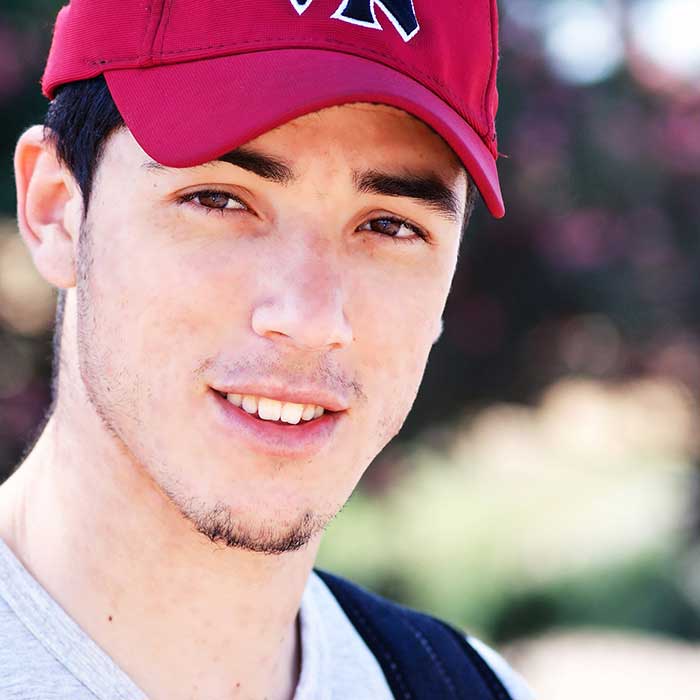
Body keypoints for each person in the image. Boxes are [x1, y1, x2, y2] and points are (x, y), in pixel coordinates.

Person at [0, 1, 534, 698]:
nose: (311, 318)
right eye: (219, 199)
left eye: (389, 225)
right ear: (56, 211)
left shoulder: (471, 688)